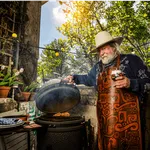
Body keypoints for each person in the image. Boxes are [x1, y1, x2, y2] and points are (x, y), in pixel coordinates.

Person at [65, 31, 150, 150]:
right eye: (100, 50)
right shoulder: (97, 67)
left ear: (114, 47)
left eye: (104, 48)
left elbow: (148, 82)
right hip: (106, 124)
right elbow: (88, 79)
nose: (102, 53)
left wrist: (130, 83)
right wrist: (74, 78)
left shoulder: (132, 60)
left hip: (131, 125)